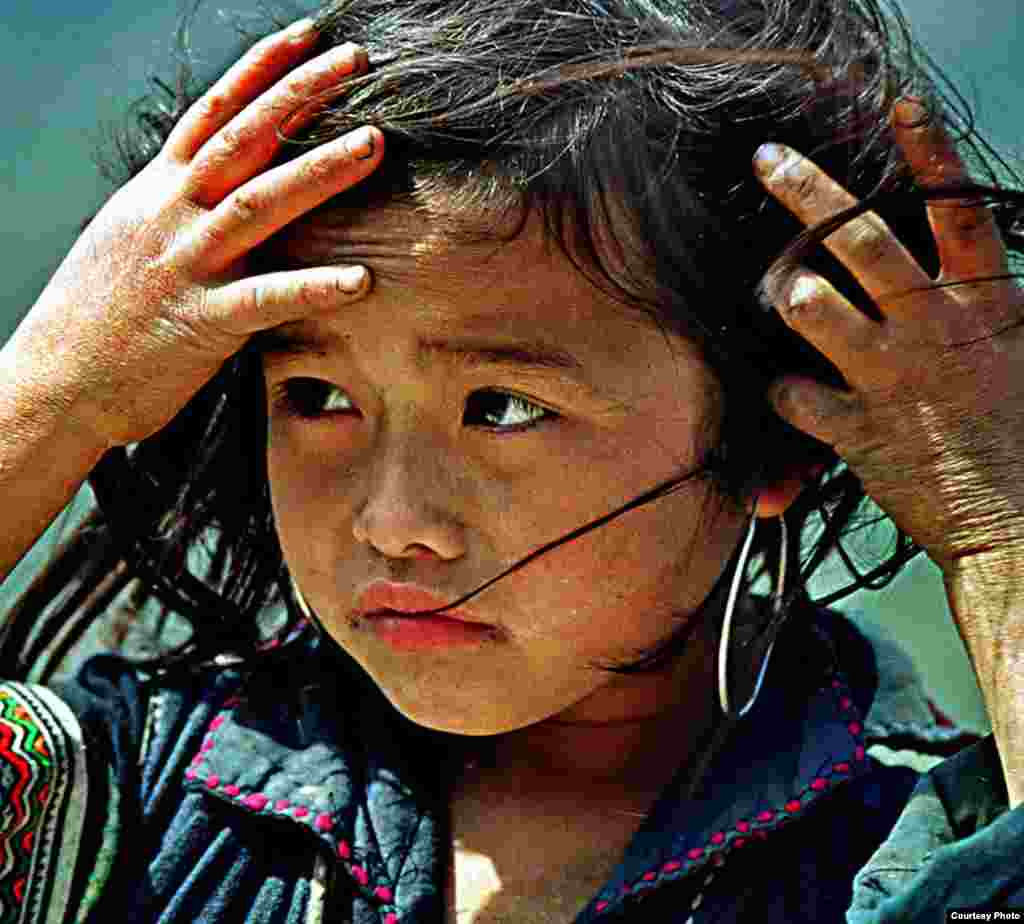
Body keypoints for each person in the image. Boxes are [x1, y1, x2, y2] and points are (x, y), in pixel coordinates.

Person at [1, 0, 1022, 920]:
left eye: (501, 408)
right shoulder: (141, 796)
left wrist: (995, 531)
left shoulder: (922, 834)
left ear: (770, 444)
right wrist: (51, 393)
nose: (391, 520)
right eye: (315, 397)